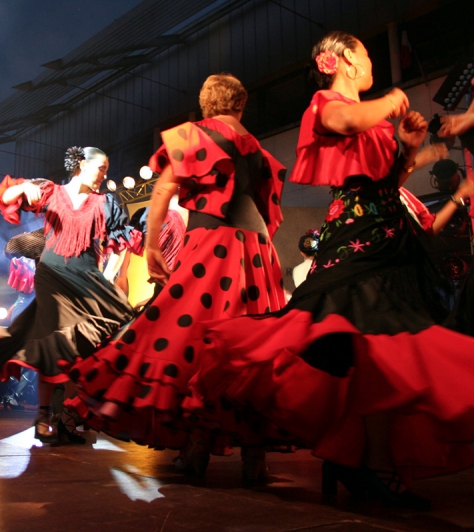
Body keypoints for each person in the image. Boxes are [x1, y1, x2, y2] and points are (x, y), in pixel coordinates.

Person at [182, 31, 474, 510]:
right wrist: (393, 101)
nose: (369, 59)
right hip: (355, 242)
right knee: (378, 349)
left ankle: (359, 461)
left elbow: (390, 180)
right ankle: (367, 465)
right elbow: (346, 118)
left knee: (382, 354)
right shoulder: (328, 103)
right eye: (362, 51)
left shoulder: (374, 119)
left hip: (390, 239)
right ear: (339, 61)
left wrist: (407, 147)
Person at [69, 74, 288, 482]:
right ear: (241, 106)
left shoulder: (194, 134)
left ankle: (198, 445)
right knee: (253, 343)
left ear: (205, 106)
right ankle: (254, 457)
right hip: (257, 251)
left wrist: (151, 245)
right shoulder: (255, 147)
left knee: (189, 335)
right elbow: (268, 208)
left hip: (215, 244)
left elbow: (162, 191)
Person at [0, 146, 135, 443]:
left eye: (106, 169)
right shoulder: (51, 191)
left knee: (81, 348)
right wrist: (24, 186)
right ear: (81, 165)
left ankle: (67, 416)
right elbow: (8, 198)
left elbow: (121, 241)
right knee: (50, 346)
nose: (105, 174)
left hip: (87, 277)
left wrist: (109, 276)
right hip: (52, 276)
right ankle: (43, 414)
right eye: (101, 167)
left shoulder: (107, 203)